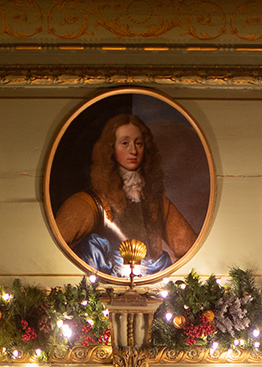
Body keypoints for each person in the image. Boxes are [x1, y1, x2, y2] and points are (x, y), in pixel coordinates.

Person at [54, 113, 197, 278]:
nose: (133, 150)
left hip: (152, 289)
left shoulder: (156, 202)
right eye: (125, 143)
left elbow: (189, 248)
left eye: (138, 143)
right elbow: (54, 250)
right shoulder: (89, 202)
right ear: (111, 148)